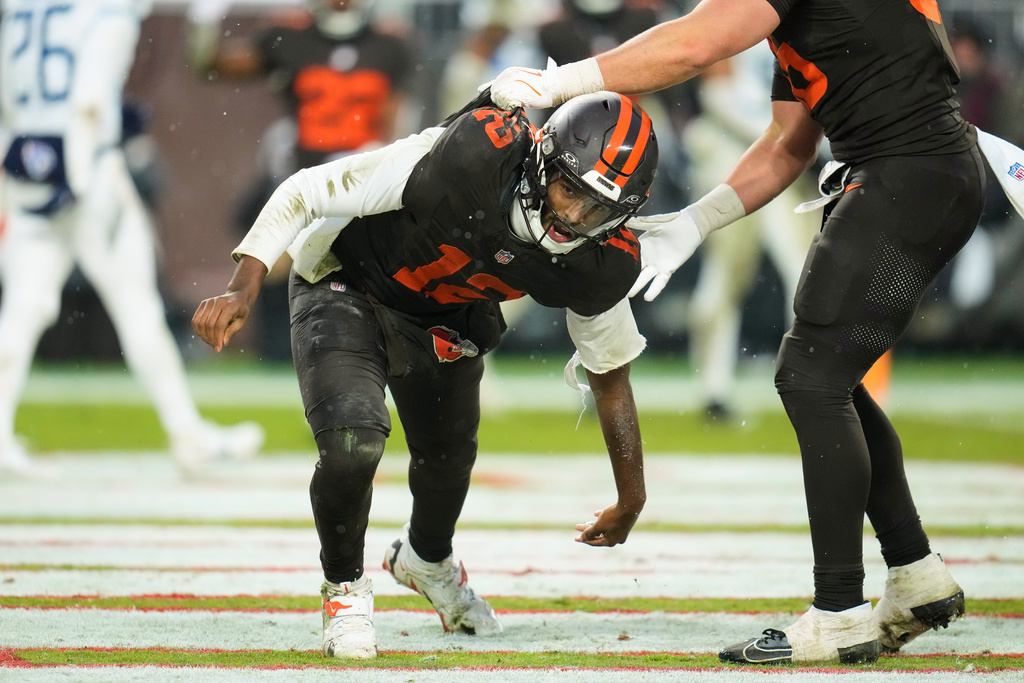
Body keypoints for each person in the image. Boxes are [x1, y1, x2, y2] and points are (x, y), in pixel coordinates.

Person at [489, 0, 1003, 666]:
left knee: (811, 377)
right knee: (828, 376)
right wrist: (698, 220)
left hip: (908, 168)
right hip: (918, 169)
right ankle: (914, 572)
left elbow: (693, 47)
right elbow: (788, 141)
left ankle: (840, 610)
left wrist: (561, 84)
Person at [192, 90, 658, 659]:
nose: (572, 218)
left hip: (444, 316)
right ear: (544, 159)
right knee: (352, 444)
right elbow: (307, 190)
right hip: (349, 279)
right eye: (570, 190)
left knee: (448, 459)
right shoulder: (474, 155)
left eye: (598, 210)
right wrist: (243, 285)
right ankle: (344, 591)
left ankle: (426, 562)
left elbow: (609, 376)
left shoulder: (599, 261)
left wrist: (631, 496)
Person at [0, 0, 264, 477]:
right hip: (85, 169)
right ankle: (187, 436)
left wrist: (23, 167)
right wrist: (79, 176)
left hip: (27, 163)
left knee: (24, 305)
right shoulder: (106, 12)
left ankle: (0, 438)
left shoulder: (21, 9)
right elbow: (88, 101)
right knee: (136, 305)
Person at [187, 0, 416, 360]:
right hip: (307, 186)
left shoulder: (390, 46)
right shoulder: (288, 37)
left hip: (366, 183)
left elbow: (394, 123)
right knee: (274, 258)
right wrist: (202, 22)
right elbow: (211, 64)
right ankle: (228, 324)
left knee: (299, 264)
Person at [681, 45, 819, 421]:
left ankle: (813, 383)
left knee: (805, 269)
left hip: (779, 150)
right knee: (728, 275)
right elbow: (718, 97)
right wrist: (789, 137)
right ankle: (715, 387)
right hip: (736, 153)